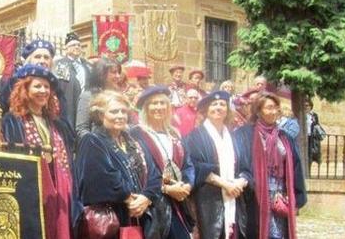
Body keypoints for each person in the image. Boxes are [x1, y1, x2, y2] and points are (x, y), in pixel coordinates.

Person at [2, 64, 76, 239]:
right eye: (37, 86)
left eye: (47, 87)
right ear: (24, 89)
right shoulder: (13, 121)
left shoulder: (56, 124)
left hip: (59, 192)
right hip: (31, 191)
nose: (43, 91)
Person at [75, 90, 160, 237]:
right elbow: (100, 177)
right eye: (114, 111)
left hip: (140, 216)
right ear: (101, 115)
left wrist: (146, 197)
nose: (120, 116)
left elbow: (154, 172)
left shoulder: (133, 141)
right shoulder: (93, 141)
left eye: (123, 111)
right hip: (112, 220)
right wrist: (129, 199)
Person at [235, 92, 307, 239]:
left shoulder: (285, 137)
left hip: (280, 197)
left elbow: (296, 167)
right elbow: (241, 163)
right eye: (269, 108)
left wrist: (297, 197)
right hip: (255, 196)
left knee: (279, 235)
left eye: (276, 107)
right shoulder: (245, 134)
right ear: (258, 110)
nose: (274, 111)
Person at [130, 86, 194, 238]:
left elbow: (188, 164)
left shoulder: (174, 133)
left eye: (162, 103)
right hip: (152, 205)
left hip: (178, 202)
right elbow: (137, 171)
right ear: (145, 108)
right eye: (153, 103)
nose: (159, 107)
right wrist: (165, 189)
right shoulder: (135, 134)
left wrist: (186, 185)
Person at [184, 91, 248, 239]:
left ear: (227, 110)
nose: (218, 107)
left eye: (222, 104)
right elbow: (196, 166)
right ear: (206, 110)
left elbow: (245, 167)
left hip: (234, 196)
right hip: (208, 201)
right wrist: (225, 184)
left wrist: (240, 182)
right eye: (214, 104)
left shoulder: (234, 136)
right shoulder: (195, 136)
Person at [75, 57, 122, 138]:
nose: (118, 76)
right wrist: (95, 145)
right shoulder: (88, 96)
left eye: (119, 72)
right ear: (101, 75)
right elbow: (82, 129)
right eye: (114, 72)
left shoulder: (119, 97)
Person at [306, 99, 325, 164]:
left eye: (307, 105)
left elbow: (317, 125)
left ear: (310, 106)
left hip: (311, 137)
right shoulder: (302, 115)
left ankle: (308, 170)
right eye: (304, 105)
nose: (306, 107)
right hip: (303, 137)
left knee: (310, 155)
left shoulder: (314, 115)